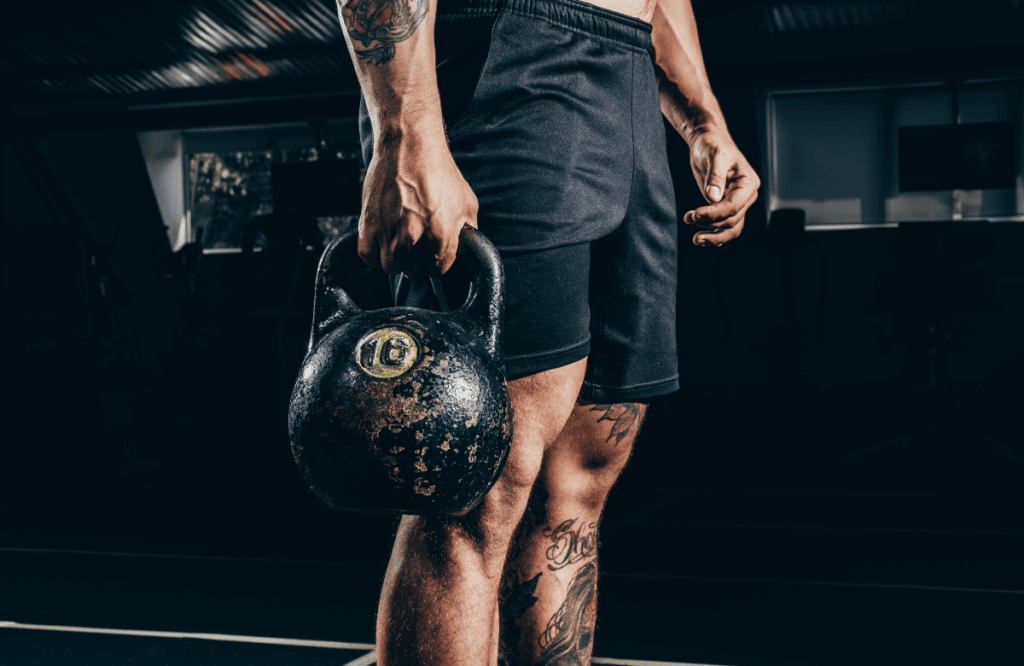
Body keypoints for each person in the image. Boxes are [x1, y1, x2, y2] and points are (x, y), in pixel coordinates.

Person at [337, 0, 760, 663]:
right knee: (471, 491)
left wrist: (704, 121)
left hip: (628, 77)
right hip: (509, 58)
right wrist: (404, 131)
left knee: (577, 486)